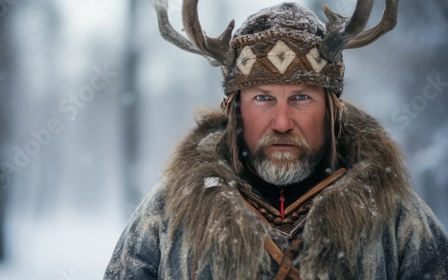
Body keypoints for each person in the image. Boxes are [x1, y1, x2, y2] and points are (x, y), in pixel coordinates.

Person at [104, 1, 448, 279]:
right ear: (235, 109)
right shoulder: (168, 213)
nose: (282, 123)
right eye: (263, 98)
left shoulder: (395, 215)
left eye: (301, 98)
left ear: (331, 109)